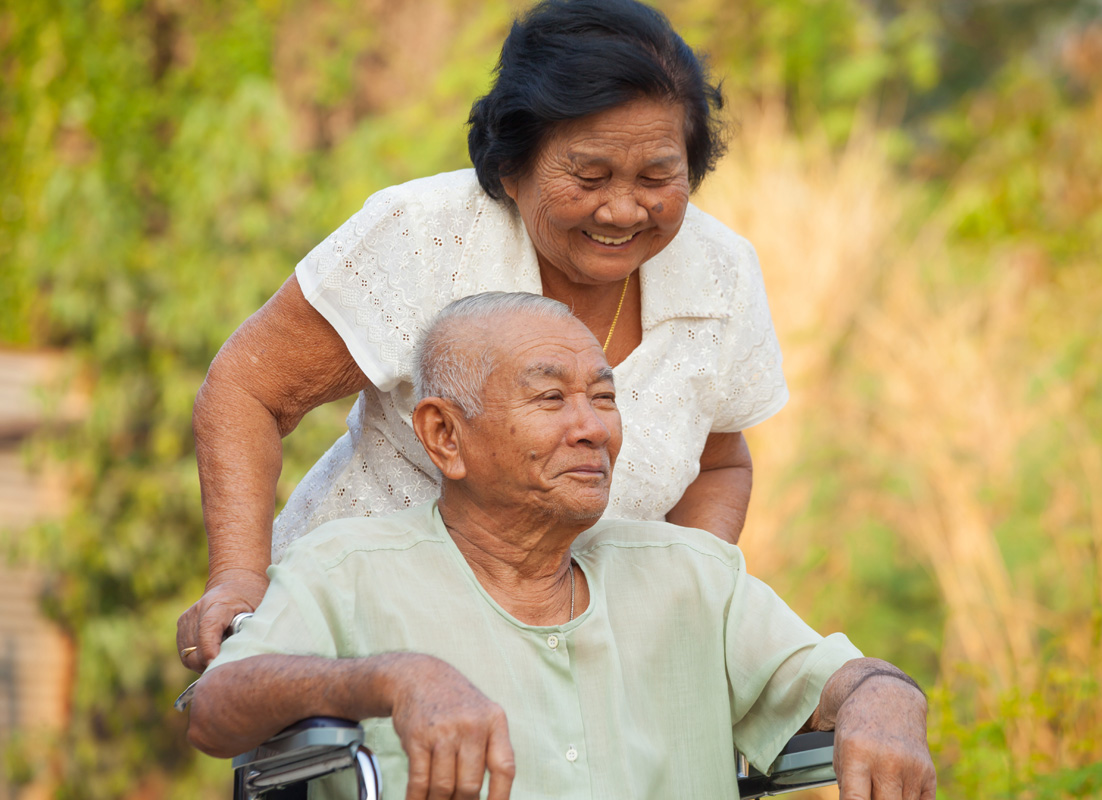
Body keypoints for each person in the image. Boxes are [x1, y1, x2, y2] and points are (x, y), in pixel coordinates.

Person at [178, 0, 791, 671]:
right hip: (355, 649)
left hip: (581, 673)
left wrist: (684, 610)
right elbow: (248, 389)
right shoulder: (425, 235)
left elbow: (719, 462)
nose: (622, 209)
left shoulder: (720, 273)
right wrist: (238, 578)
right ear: (510, 165)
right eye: (588, 177)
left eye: (657, 177)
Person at [186, 293, 936, 800]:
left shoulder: (691, 577)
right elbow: (214, 711)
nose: (592, 428)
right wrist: (387, 680)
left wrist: (884, 698)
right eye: (551, 398)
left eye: (604, 398)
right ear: (445, 436)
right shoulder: (348, 570)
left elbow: (845, 680)